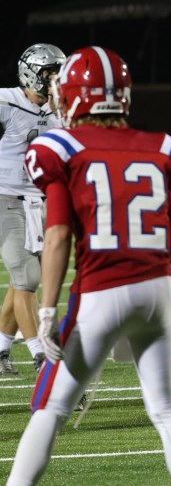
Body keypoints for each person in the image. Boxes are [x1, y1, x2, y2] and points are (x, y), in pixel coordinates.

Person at [6, 47, 171, 484]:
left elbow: (58, 236)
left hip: (99, 293)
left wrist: (46, 311)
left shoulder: (60, 147)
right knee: (169, 412)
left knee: (49, 409)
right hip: (156, 296)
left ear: (74, 96)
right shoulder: (163, 148)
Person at [0, 44, 65, 376]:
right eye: (49, 74)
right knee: (27, 276)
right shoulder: (6, 101)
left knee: (22, 279)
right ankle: (42, 357)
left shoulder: (60, 111)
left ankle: (0, 348)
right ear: (30, 74)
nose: (55, 80)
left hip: (39, 203)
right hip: (5, 198)